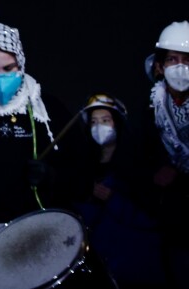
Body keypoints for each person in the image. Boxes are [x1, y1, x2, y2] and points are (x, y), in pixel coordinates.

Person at [0, 22, 86, 289]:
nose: (0, 77)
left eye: (8, 69)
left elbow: (82, 176)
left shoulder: (47, 109)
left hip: (35, 234)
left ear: (21, 64)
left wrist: (52, 177)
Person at [71, 93, 167, 289]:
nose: (100, 127)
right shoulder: (83, 169)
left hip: (138, 266)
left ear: (118, 124)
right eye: (94, 122)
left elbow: (153, 217)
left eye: (106, 120)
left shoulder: (140, 165)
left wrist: (112, 199)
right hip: (102, 268)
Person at [143, 20, 189, 288]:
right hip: (172, 224)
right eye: (172, 59)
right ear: (159, 66)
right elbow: (136, 162)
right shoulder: (151, 111)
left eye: (187, 59)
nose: (181, 67)